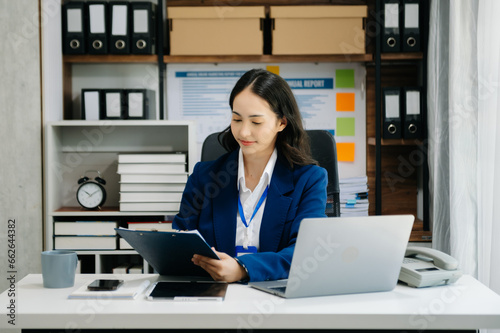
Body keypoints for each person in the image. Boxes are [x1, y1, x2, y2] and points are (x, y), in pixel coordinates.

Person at [172, 68, 327, 283]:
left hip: (278, 296)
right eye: (237, 119)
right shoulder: (204, 177)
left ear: (281, 123)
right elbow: (179, 245)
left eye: (256, 122)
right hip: (213, 295)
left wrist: (242, 269)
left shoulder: (309, 180)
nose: (243, 132)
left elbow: (305, 252)